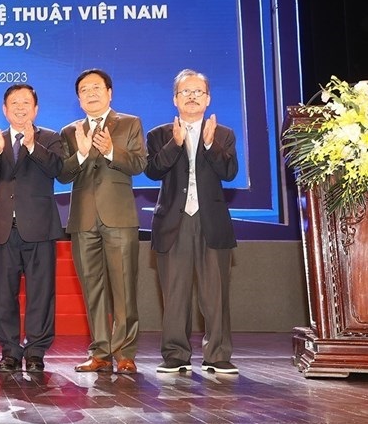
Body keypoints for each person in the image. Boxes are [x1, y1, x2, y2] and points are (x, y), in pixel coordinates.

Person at [145, 69, 239, 375]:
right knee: (175, 293)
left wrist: (210, 146)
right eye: (185, 92)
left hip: (211, 221)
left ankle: (218, 355)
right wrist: (175, 144)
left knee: (216, 295)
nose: (192, 97)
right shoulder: (159, 134)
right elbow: (152, 171)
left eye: (198, 92)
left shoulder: (223, 134)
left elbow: (229, 173)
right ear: (175, 99)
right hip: (173, 222)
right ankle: (175, 354)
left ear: (208, 99)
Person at [57, 68, 147, 374]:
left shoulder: (130, 123)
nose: (90, 93)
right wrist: (81, 155)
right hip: (83, 219)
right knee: (92, 289)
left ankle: (125, 353)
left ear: (109, 93)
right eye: (84, 89)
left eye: (96, 87)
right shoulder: (70, 131)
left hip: (119, 216)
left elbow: (139, 163)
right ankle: (100, 352)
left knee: (124, 289)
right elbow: (62, 174)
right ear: (78, 98)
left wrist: (110, 150)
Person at [0, 83, 64, 373]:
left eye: (26, 102)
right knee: (4, 293)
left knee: (41, 291)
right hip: (4, 227)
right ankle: (10, 351)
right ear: (4, 109)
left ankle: (36, 350)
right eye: (14, 103)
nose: (20, 107)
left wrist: (31, 146)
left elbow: (58, 170)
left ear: (35, 109)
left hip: (40, 226)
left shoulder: (50, 138)